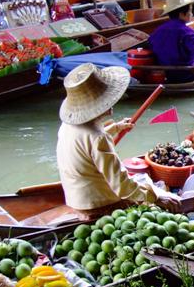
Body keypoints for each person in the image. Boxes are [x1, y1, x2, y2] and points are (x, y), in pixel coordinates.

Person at [56, 63, 181, 220]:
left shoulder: (68, 124)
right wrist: (155, 197)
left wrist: (116, 127)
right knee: (157, 205)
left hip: (75, 198)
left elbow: (84, 143)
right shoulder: (98, 137)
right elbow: (122, 187)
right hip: (98, 205)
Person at [148, 0, 194, 84]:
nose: (191, 14)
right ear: (182, 14)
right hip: (185, 75)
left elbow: (151, 46)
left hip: (165, 74)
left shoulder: (158, 30)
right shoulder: (187, 32)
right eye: (190, 11)